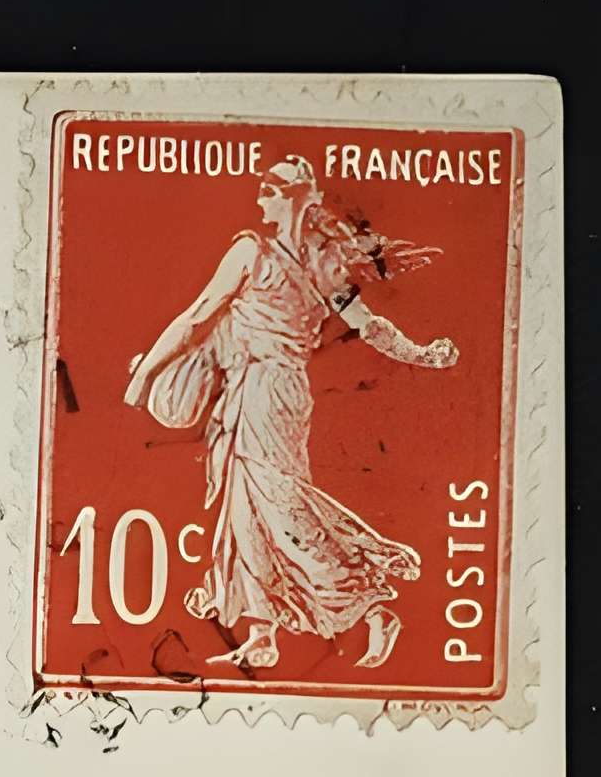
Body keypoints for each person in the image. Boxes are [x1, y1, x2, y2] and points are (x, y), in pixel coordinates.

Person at [119, 158, 460, 671]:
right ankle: (261, 631)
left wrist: (145, 376)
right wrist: (422, 353)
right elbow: (369, 327)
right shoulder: (316, 261)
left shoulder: (256, 252)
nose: (259, 201)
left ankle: (370, 607)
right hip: (263, 388)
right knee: (243, 507)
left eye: (268, 190)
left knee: (280, 505)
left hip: (267, 391)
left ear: (292, 196)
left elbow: (196, 316)